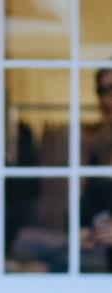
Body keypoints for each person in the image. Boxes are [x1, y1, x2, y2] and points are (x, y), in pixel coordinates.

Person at [80, 66, 112, 272]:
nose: (108, 100)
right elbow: (89, 204)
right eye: (103, 91)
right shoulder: (99, 147)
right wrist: (84, 231)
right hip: (99, 251)